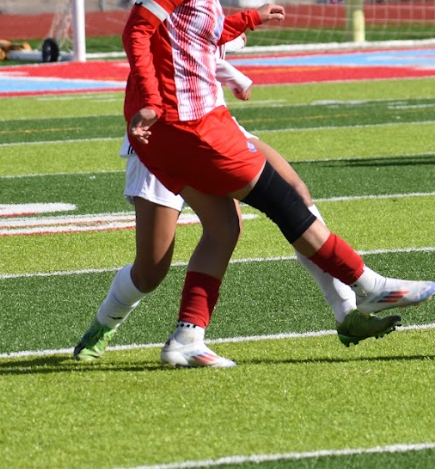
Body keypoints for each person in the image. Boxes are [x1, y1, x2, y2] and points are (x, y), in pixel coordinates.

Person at [120, 0, 435, 368]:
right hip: (192, 125)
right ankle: (370, 286)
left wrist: (252, 19)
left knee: (224, 226)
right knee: (286, 202)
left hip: (175, 130)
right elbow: (136, 31)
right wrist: (148, 99)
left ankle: (187, 338)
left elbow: (198, 32)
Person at [73, 44, 403, 364]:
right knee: (151, 270)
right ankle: (105, 324)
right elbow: (171, 44)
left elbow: (208, 38)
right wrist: (233, 71)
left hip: (212, 126)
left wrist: (243, 26)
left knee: (294, 192)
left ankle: (346, 312)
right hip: (162, 136)